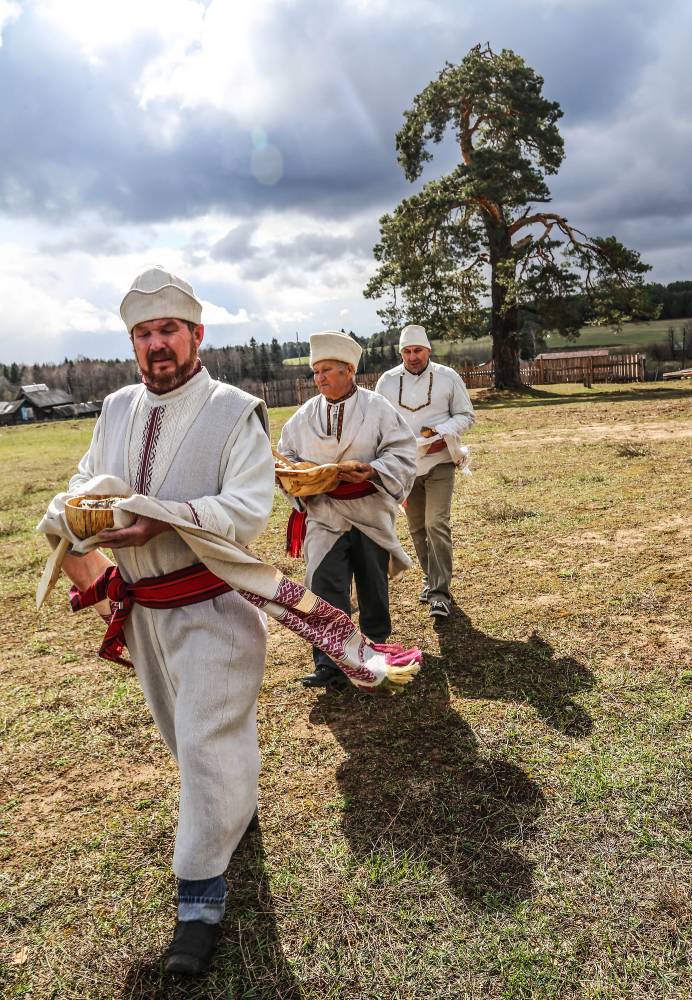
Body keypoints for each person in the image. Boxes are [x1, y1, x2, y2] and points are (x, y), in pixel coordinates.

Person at [39, 268, 276, 977]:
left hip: (214, 607)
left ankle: (199, 901)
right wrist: (69, 516)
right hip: (146, 616)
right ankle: (235, 806)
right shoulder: (114, 407)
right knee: (191, 741)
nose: (156, 345)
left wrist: (161, 519)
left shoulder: (236, 409)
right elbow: (88, 480)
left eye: (168, 330)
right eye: (143, 334)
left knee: (205, 744)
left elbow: (248, 508)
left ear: (197, 334)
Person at [277, 330, 417, 688]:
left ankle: (377, 652)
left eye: (326, 370)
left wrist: (372, 470)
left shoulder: (377, 408)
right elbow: (286, 459)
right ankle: (330, 661)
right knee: (324, 585)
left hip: (368, 510)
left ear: (349, 370)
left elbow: (402, 452)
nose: (319, 378)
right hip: (324, 513)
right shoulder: (304, 416)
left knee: (373, 585)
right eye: (315, 372)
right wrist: (302, 480)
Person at [375, 324, 475, 618]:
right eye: (406, 351)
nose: (412, 356)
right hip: (406, 467)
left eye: (417, 350)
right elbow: (378, 421)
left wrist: (441, 432)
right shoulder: (387, 381)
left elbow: (467, 416)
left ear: (428, 350)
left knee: (436, 523)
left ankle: (440, 593)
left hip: (440, 461)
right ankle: (431, 579)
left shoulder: (447, 377)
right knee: (417, 527)